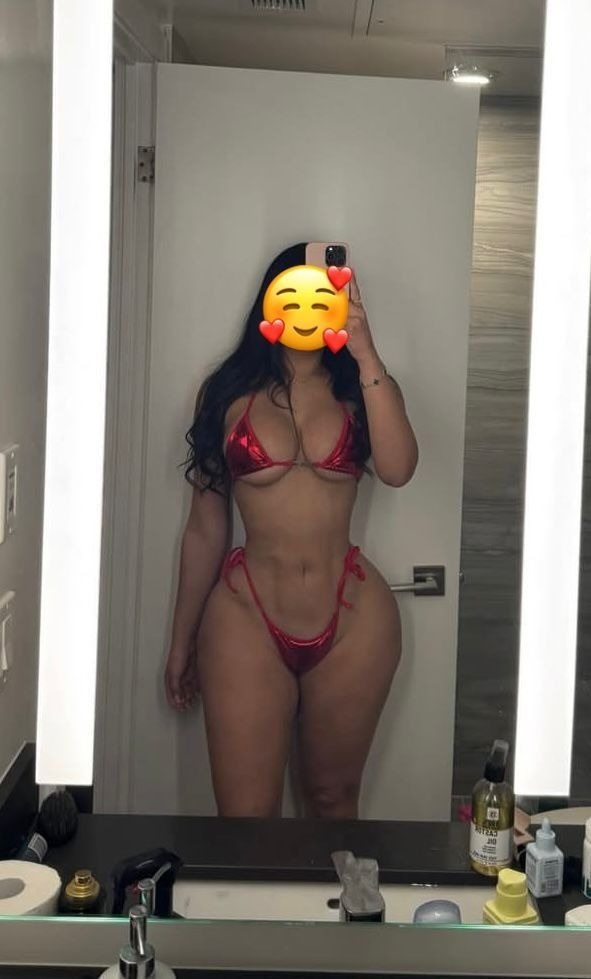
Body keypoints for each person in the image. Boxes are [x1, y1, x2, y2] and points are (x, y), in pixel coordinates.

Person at [164, 242, 418, 819]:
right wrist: (180, 641)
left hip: (353, 620)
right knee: (246, 819)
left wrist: (366, 354)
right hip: (247, 615)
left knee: (333, 800)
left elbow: (399, 469)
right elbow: (205, 526)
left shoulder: (364, 387)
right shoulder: (226, 392)